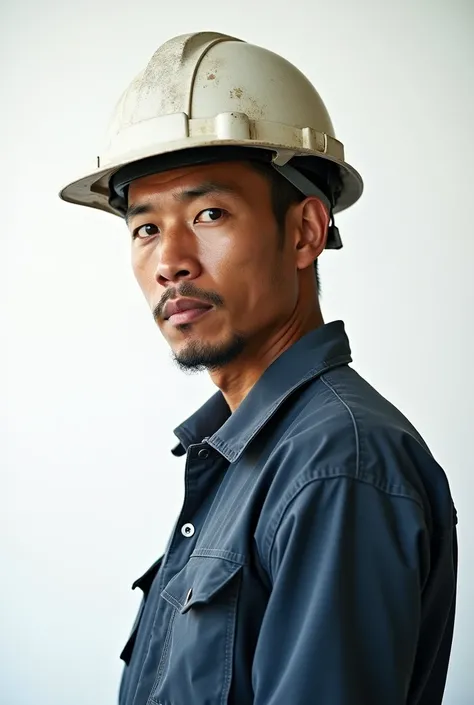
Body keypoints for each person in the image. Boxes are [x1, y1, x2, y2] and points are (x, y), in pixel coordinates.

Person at [60, 31, 458, 705]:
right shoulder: (242, 455)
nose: (170, 261)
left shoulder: (338, 463)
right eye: (146, 227)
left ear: (304, 231)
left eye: (210, 212)